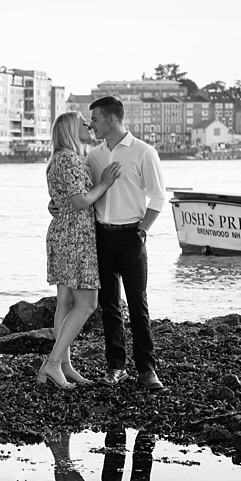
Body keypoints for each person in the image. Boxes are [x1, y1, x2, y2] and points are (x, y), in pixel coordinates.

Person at [85, 95, 167, 391]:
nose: (91, 125)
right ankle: (115, 368)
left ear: (111, 119)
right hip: (101, 236)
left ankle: (147, 370)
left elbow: (159, 196)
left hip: (132, 236)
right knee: (109, 306)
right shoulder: (93, 156)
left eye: (94, 119)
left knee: (137, 304)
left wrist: (142, 231)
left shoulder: (143, 152)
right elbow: (81, 193)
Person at [40, 112, 121, 389]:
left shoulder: (57, 159)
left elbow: (60, 200)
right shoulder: (71, 160)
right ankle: (53, 364)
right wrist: (105, 183)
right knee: (87, 304)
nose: (88, 126)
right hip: (76, 237)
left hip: (62, 234)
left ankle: (64, 366)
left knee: (64, 303)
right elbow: (79, 201)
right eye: (83, 124)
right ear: (72, 130)